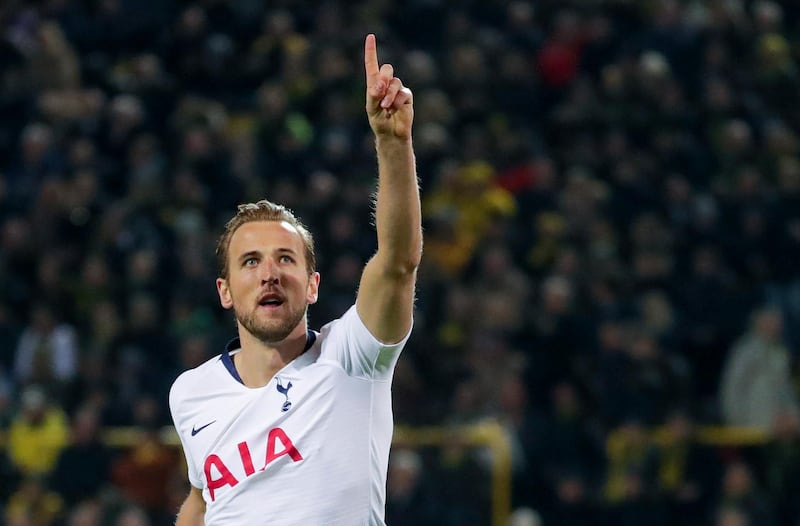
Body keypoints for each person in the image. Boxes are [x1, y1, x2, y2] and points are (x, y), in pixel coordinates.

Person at [169, 33, 421, 525]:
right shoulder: (190, 393)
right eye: (250, 262)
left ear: (313, 285)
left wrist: (393, 145)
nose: (269, 274)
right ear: (224, 291)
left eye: (286, 259)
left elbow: (397, 263)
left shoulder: (353, 357)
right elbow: (203, 498)